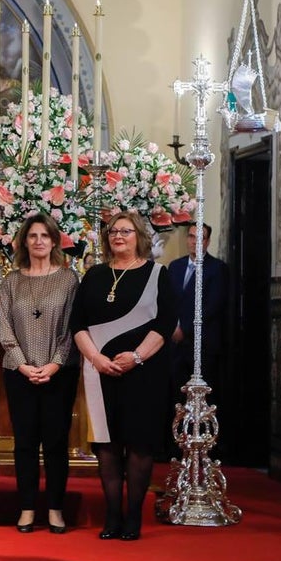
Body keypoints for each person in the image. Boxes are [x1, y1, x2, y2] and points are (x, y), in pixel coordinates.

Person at [71, 211, 176, 542]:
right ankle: (112, 516)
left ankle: (133, 518)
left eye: (126, 231)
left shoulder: (157, 274)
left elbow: (165, 324)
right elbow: (78, 324)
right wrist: (96, 358)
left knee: (139, 444)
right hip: (100, 372)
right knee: (107, 445)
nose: (118, 236)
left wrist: (137, 356)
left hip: (144, 373)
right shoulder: (94, 275)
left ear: (139, 236)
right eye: (113, 231)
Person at [0, 213, 80, 534]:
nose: (38, 241)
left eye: (45, 235)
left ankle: (56, 509)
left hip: (59, 373)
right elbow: (4, 325)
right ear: (24, 242)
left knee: (56, 442)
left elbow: (73, 327)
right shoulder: (11, 281)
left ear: (54, 240)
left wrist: (55, 363)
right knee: (25, 443)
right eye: (32, 236)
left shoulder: (69, 279)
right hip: (19, 372)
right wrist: (22, 364)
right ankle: (27, 507)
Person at [166, 222, 229, 455]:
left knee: (203, 396)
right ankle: (176, 444)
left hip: (203, 344)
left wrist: (185, 329)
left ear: (207, 241)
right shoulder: (175, 267)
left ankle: (203, 445)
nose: (195, 242)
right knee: (176, 393)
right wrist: (172, 327)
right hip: (175, 344)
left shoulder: (217, 269)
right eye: (191, 237)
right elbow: (167, 300)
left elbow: (212, 305)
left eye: (200, 238)